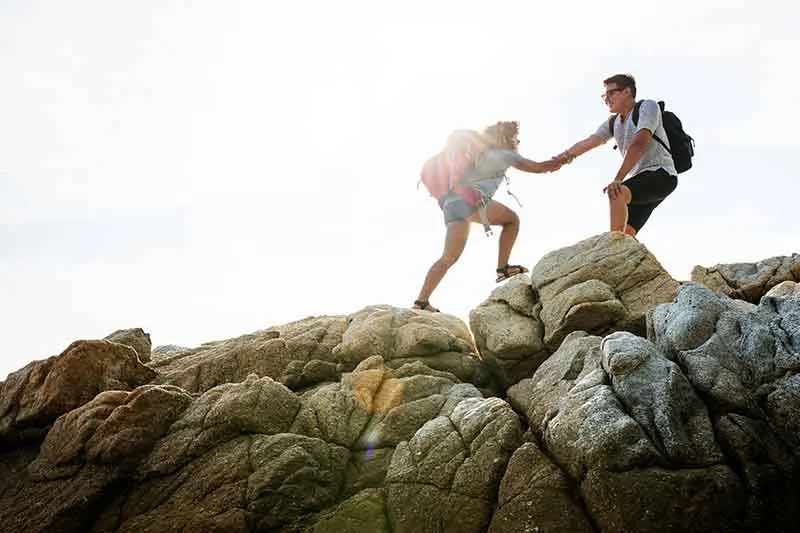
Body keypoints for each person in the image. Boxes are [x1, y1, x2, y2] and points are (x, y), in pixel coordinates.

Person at [412, 121, 561, 312]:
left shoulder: (479, 155)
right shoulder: (505, 154)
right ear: (507, 138)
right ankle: (503, 268)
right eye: (515, 137)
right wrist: (564, 159)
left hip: (450, 205)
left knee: (447, 258)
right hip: (470, 202)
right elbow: (538, 167)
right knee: (512, 220)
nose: (518, 141)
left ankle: (420, 302)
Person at [553, 74, 678, 237]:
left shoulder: (647, 107)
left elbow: (639, 143)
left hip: (661, 174)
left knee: (617, 192)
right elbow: (591, 141)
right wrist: (563, 158)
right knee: (627, 233)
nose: (607, 99)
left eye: (611, 93)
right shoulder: (614, 122)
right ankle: (623, 253)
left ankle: (611, 248)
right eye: (604, 96)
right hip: (642, 179)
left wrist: (618, 179)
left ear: (627, 91)